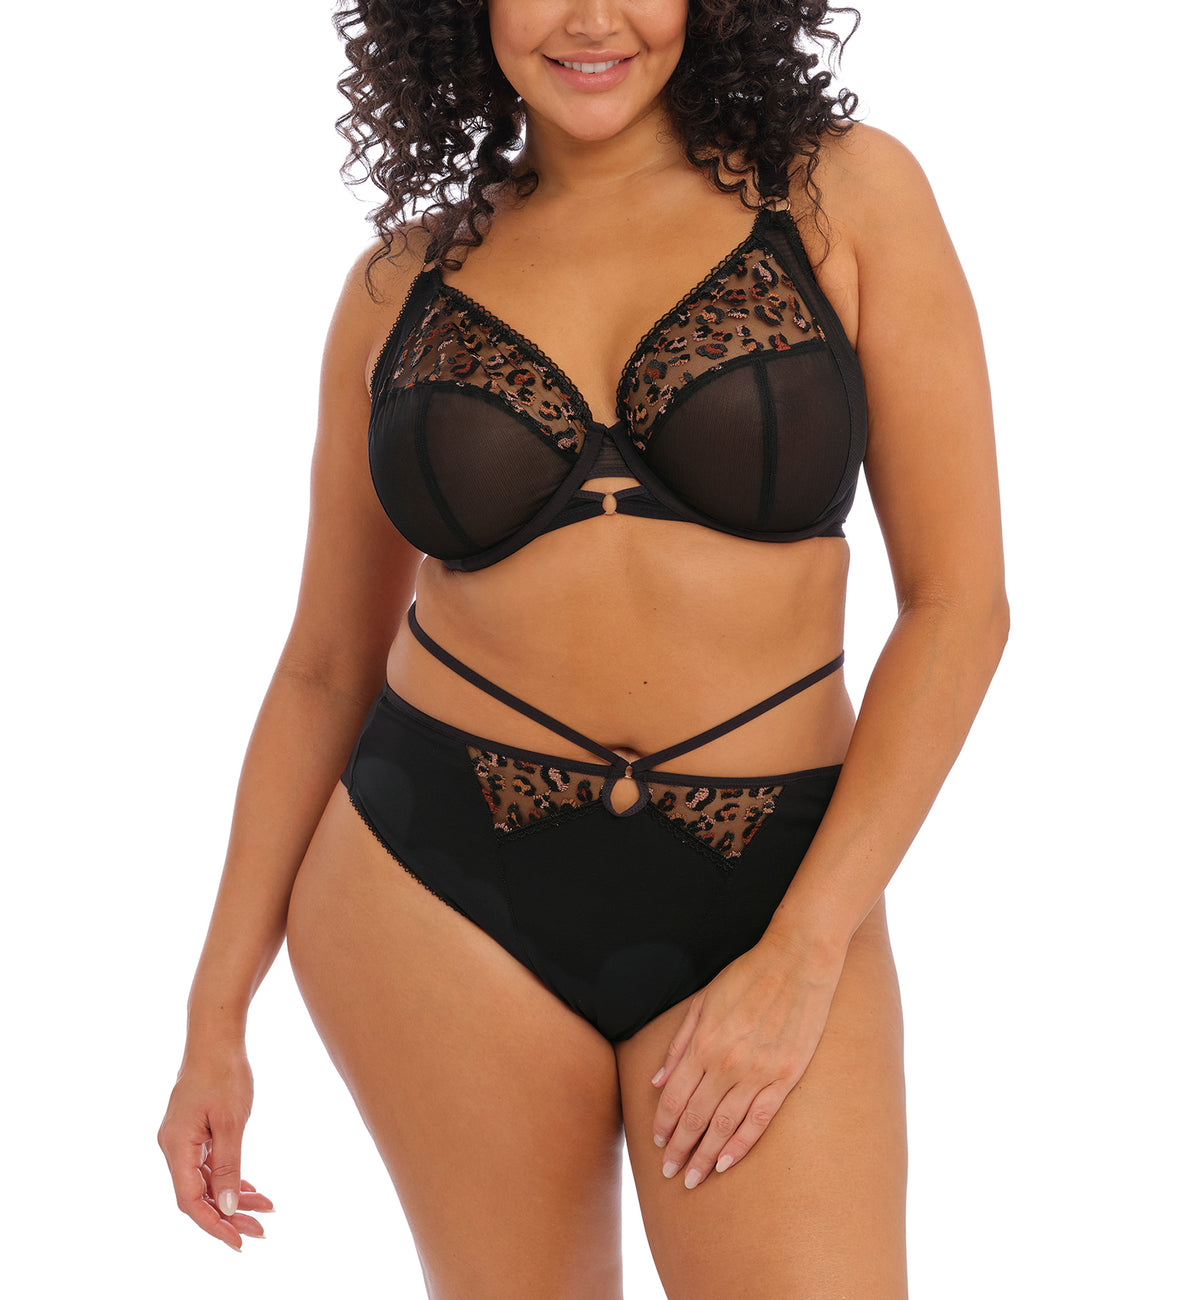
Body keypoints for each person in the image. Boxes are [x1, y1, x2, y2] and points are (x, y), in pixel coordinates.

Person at [158, 1, 1007, 1294]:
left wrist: (806, 946)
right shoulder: (398, 287)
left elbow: (959, 604)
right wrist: (216, 1013)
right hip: (432, 888)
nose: (594, 19)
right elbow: (326, 664)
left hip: (770, 886)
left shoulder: (843, 196)